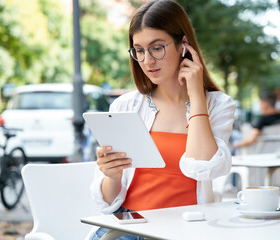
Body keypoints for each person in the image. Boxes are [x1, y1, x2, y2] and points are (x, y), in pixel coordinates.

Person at [90, 1, 235, 239]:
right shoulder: (125, 106)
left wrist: (196, 95)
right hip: (127, 229)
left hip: (184, 230)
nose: (147, 60)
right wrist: (112, 175)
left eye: (157, 48)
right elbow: (106, 202)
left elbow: (206, 168)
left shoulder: (218, 105)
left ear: (183, 45)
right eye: (139, 50)